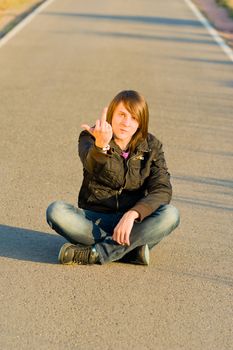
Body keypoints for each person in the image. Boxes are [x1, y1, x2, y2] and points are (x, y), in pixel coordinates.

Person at [46, 90, 180, 266]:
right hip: (95, 220)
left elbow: (162, 189)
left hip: (133, 224)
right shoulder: (91, 136)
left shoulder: (152, 146)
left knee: (171, 214)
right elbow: (90, 164)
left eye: (133, 118)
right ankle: (131, 252)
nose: (126, 123)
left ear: (141, 122)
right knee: (56, 211)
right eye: (121, 115)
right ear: (111, 115)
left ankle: (97, 253)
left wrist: (133, 213)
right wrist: (100, 146)